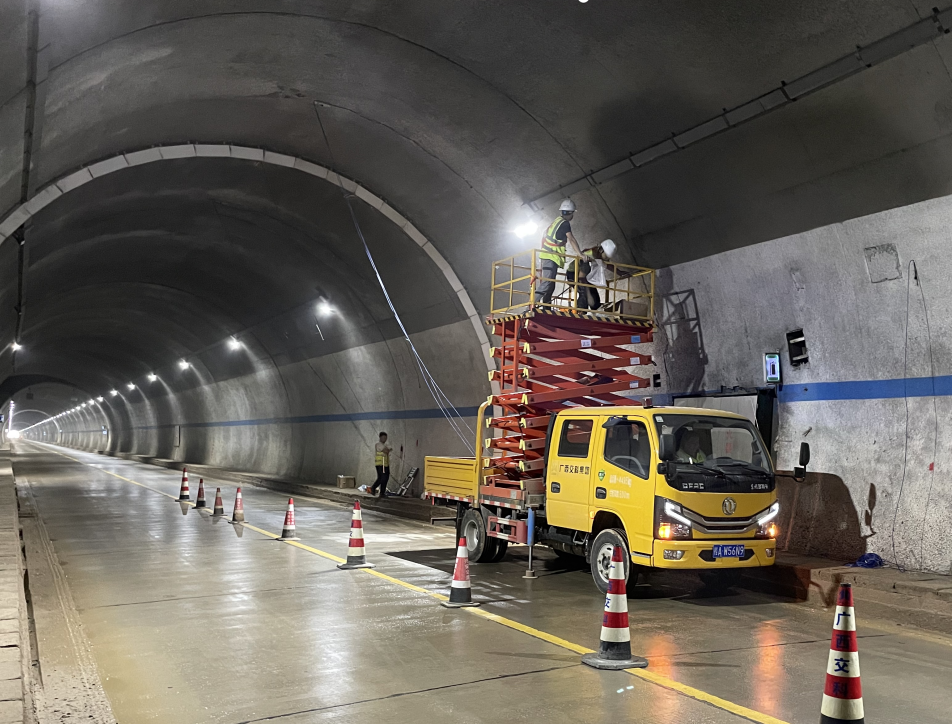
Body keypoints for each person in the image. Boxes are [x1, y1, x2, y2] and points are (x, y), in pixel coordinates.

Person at [535, 199, 583, 307]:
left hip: (549, 256)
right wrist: (580, 254)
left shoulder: (557, 220)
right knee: (547, 283)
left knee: (551, 284)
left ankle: (546, 308)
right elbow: (571, 239)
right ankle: (531, 305)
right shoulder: (565, 224)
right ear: (571, 213)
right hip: (550, 256)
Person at [370, 432, 393, 498]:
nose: (384, 439)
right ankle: (374, 488)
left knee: (386, 478)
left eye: (385, 438)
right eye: (383, 438)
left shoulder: (385, 445)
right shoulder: (378, 444)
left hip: (386, 464)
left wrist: (387, 449)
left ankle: (382, 492)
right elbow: (386, 451)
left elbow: (389, 449)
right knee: (382, 478)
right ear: (380, 437)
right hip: (380, 464)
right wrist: (387, 449)